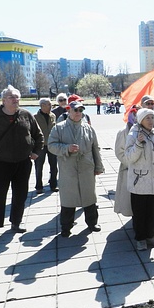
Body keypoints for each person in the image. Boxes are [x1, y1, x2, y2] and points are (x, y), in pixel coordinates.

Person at [0, 85, 44, 241]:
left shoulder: (26, 115)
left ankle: (16, 222)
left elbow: (39, 135)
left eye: (17, 97)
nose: (15, 100)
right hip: (1, 163)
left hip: (23, 162)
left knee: (20, 194)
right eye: (11, 97)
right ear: (3, 100)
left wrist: (36, 152)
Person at [48, 101, 104, 237]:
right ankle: (66, 227)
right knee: (68, 198)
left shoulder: (88, 128)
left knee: (89, 196)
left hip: (86, 167)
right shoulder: (59, 128)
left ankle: (92, 223)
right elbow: (51, 145)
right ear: (69, 111)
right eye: (76, 110)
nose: (78, 113)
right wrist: (66, 148)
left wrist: (98, 166)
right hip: (68, 168)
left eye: (81, 110)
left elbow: (95, 148)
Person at [124, 108, 154, 250]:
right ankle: (140, 238)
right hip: (139, 181)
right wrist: (138, 144)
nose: (150, 121)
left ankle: (150, 235)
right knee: (140, 212)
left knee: (151, 210)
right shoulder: (134, 134)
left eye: (152, 118)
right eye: (147, 118)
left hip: (153, 180)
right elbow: (129, 157)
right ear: (141, 120)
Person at [114, 107, 138, 218]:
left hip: (144, 172)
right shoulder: (122, 132)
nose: (135, 115)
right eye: (133, 113)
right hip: (128, 169)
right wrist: (131, 163)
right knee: (129, 200)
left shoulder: (146, 129)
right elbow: (119, 152)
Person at [33, 98, 58, 194]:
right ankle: (39, 186)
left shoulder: (53, 116)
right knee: (39, 167)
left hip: (52, 144)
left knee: (54, 166)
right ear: (42, 105)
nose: (51, 106)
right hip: (40, 146)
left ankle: (53, 185)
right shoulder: (35, 117)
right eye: (49, 104)